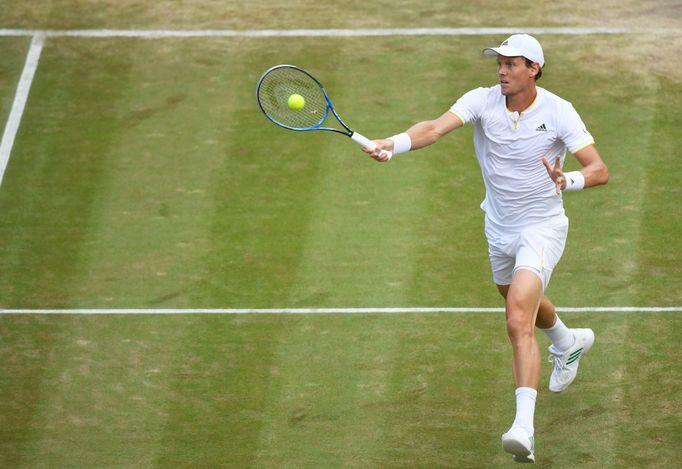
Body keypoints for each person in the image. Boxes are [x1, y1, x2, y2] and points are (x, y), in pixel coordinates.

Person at [363, 33, 608, 463]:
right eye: (499, 63)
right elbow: (435, 129)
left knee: (517, 317)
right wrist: (393, 143)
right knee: (515, 296)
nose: (501, 71)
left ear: (534, 69)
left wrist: (565, 181)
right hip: (498, 226)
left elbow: (598, 169)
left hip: (541, 228)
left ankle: (523, 429)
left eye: (512, 64)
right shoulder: (481, 99)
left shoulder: (559, 111)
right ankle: (568, 341)